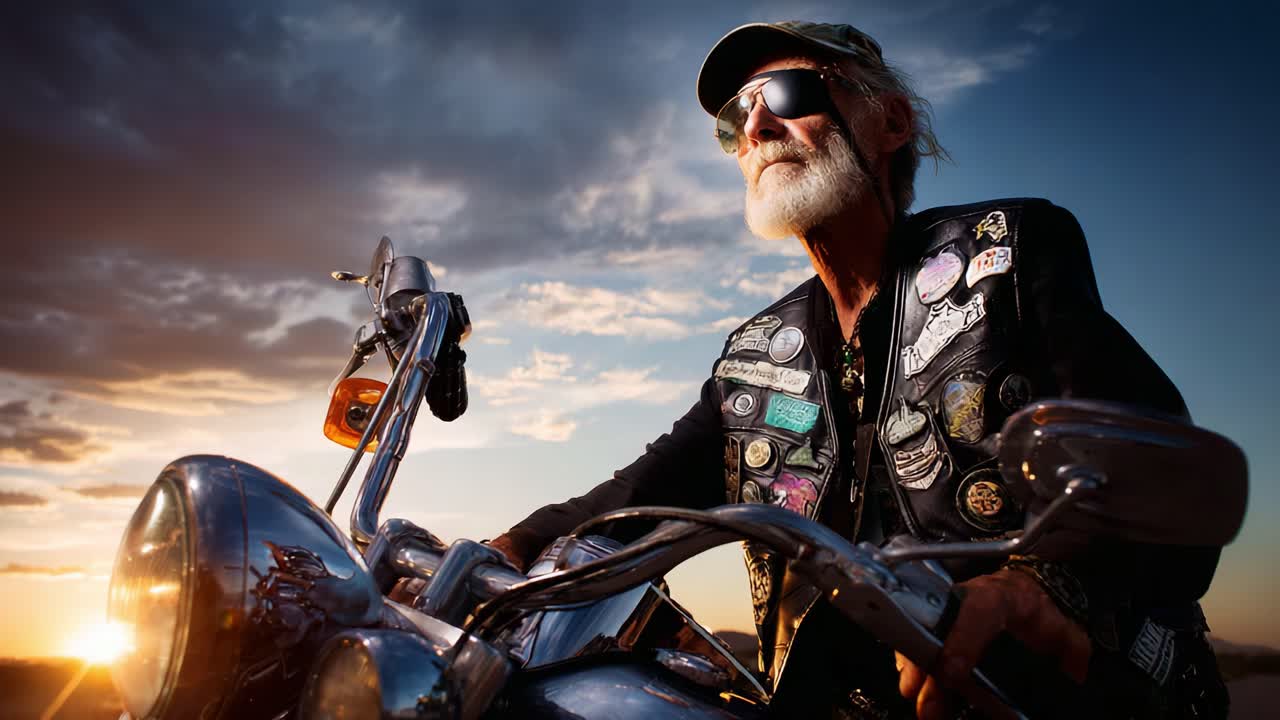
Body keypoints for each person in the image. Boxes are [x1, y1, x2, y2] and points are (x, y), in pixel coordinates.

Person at [488, 21, 1228, 719]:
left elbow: (1160, 485)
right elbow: (635, 501)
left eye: (787, 93)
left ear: (891, 124)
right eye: (733, 119)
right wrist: (496, 554)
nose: (755, 127)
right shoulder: (755, 354)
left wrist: (1038, 589)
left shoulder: (1008, 256)